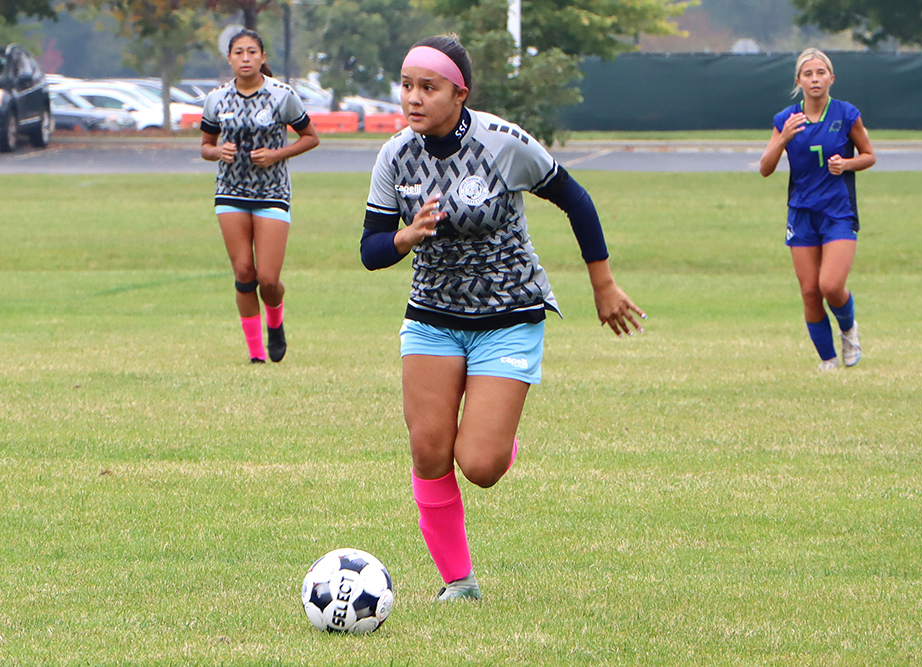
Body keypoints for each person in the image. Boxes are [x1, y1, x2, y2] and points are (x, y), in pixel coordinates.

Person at [361, 35, 646, 601]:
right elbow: (371, 249)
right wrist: (405, 235)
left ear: (459, 93)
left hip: (509, 314)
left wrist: (604, 284)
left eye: (428, 87)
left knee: (480, 464)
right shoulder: (395, 155)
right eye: (407, 85)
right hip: (431, 318)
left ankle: (497, 434)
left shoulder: (502, 142)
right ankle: (458, 583)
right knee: (429, 452)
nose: (413, 98)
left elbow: (576, 199)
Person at [200, 30, 319, 364]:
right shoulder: (217, 99)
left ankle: (276, 322)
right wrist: (216, 152)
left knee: (267, 278)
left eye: (252, 52)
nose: (246, 58)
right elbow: (206, 146)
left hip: (272, 193)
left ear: (263, 57)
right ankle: (256, 355)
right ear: (230, 59)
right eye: (238, 52)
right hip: (230, 192)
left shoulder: (282, 96)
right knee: (243, 272)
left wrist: (277, 154)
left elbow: (311, 137)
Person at [760, 49, 876, 372]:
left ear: (831, 78)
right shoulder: (786, 119)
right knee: (810, 292)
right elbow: (765, 168)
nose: (815, 79)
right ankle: (828, 361)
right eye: (808, 74)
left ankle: (849, 330)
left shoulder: (846, 113)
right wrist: (783, 139)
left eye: (821, 72)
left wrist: (847, 163)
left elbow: (869, 155)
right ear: (798, 80)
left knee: (831, 286)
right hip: (801, 214)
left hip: (837, 212)